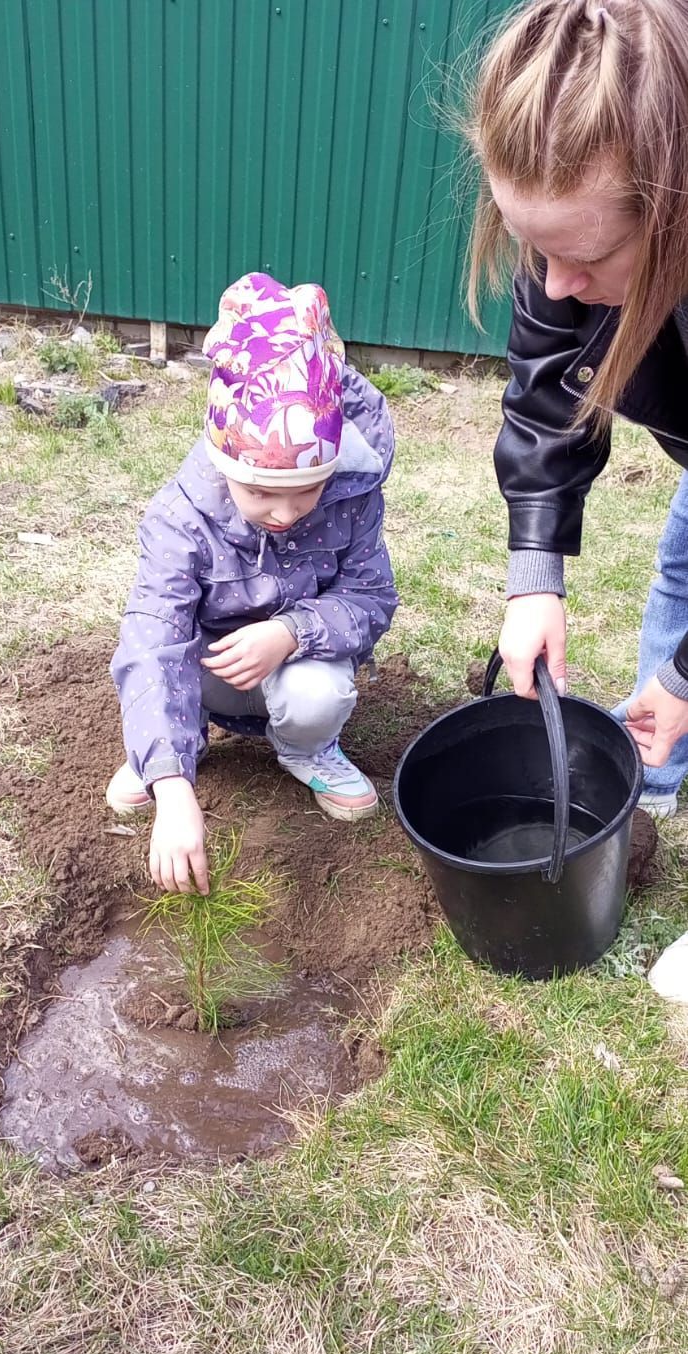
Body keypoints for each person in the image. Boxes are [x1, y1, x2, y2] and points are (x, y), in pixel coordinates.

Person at [466, 0, 688, 827]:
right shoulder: (570, 221)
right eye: (534, 249)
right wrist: (535, 578)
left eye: (587, 257)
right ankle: (654, 792)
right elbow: (546, 394)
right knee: (680, 572)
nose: (554, 286)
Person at [106, 272, 397, 895]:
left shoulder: (353, 496)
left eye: (306, 492)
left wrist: (292, 632)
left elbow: (372, 599)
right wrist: (174, 792)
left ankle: (305, 751)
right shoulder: (181, 518)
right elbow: (154, 645)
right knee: (159, 687)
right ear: (222, 464)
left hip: (295, 665)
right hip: (206, 669)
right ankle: (167, 757)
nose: (287, 514)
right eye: (262, 492)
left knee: (319, 695)